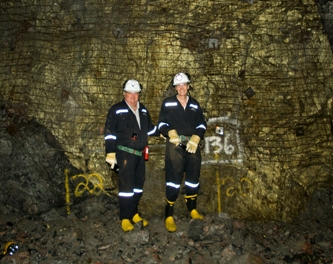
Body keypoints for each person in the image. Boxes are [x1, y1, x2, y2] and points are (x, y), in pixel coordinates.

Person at [104, 79, 158, 232]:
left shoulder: (143, 110)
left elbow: (150, 129)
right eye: (130, 93)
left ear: (139, 94)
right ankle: (125, 218)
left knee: (138, 186)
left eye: (136, 93)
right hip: (125, 153)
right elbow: (110, 133)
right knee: (126, 187)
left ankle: (134, 213)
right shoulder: (117, 110)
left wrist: (166, 132)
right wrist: (110, 152)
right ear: (124, 94)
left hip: (140, 154)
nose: (133, 97)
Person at [158, 72, 207, 232]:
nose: (181, 88)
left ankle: (192, 208)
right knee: (174, 176)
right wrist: (170, 132)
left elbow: (201, 124)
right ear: (175, 87)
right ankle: (169, 213)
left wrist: (197, 137)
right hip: (175, 144)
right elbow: (161, 124)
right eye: (178, 85)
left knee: (193, 175)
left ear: (188, 86)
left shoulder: (194, 104)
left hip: (192, 143)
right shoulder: (168, 103)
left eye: (184, 85)